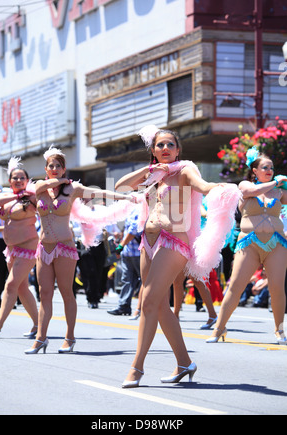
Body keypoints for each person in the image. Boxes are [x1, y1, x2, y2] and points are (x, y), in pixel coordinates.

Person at [116, 125, 239, 388]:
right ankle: (185, 362)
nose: (165, 149)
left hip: (174, 241)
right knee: (158, 306)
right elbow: (121, 185)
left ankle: (136, 368)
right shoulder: (153, 176)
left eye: (170, 144)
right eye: (160, 145)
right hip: (147, 243)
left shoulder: (185, 170)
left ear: (178, 149)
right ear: (153, 150)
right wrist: (152, 170)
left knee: (147, 302)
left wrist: (218, 188)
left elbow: (202, 185)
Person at [25, 146, 136, 355]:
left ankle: (70, 337)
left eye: (59, 166)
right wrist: (59, 181)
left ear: (65, 168)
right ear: (46, 168)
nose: (55, 168)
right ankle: (41, 338)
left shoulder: (72, 189)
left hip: (65, 247)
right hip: (44, 248)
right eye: (51, 166)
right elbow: (44, 184)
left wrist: (127, 197)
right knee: (45, 293)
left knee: (67, 292)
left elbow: (99, 193)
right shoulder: (39, 187)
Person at [207, 148, 287, 345]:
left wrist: (280, 186)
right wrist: (276, 181)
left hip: (276, 243)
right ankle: (219, 328)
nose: (269, 170)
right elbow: (251, 192)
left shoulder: (279, 192)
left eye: (271, 168)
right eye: (264, 167)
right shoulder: (245, 185)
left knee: (277, 287)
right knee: (235, 286)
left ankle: (279, 329)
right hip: (249, 243)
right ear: (254, 171)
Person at [0, 158, 38, 340]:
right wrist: (17, 195)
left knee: (10, 285)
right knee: (22, 288)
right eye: (15, 178)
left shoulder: (32, 196)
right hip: (12, 249)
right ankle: (38, 325)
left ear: (27, 180)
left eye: (22, 178)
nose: (18, 181)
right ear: (10, 181)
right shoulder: (8, 197)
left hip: (29, 246)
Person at [107, 209, 141, 316]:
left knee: (146, 281)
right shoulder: (130, 211)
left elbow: (133, 230)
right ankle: (124, 306)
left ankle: (145, 308)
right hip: (128, 252)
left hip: (138, 253)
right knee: (127, 280)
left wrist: (121, 245)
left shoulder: (138, 209)